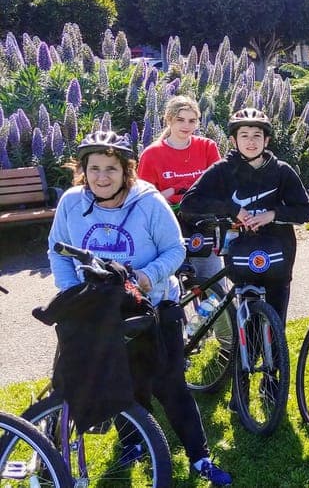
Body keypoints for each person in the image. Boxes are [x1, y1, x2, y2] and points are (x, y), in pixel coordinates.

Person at [47, 130, 232, 485]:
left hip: (154, 304)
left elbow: (176, 249)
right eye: (94, 168)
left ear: (126, 171)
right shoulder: (72, 202)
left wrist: (147, 277)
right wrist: (74, 294)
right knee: (121, 382)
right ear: (83, 170)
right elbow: (58, 250)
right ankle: (134, 442)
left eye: (111, 169)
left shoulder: (148, 202)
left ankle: (199, 456)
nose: (102, 177)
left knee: (169, 383)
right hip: (101, 309)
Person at [179, 107, 309, 325]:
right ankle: (246, 357)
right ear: (233, 140)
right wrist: (232, 209)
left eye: (257, 136)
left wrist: (273, 214)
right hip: (239, 250)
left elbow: (306, 211)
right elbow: (189, 203)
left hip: (279, 252)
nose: (250, 142)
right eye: (244, 136)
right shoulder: (222, 170)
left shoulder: (281, 171)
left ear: (267, 140)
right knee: (246, 318)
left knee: (275, 322)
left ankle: (276, 357)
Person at [138, 95, 223, 283]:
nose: (186, 126)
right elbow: (142, 199)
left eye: (192, 121)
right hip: (169, 224)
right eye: (180, 120)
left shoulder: (207, 147)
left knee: (212, 282)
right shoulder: (152, 154)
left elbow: (219, 184)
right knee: (171, 284)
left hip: (202, 223)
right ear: (168, 120)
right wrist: (165, 195)